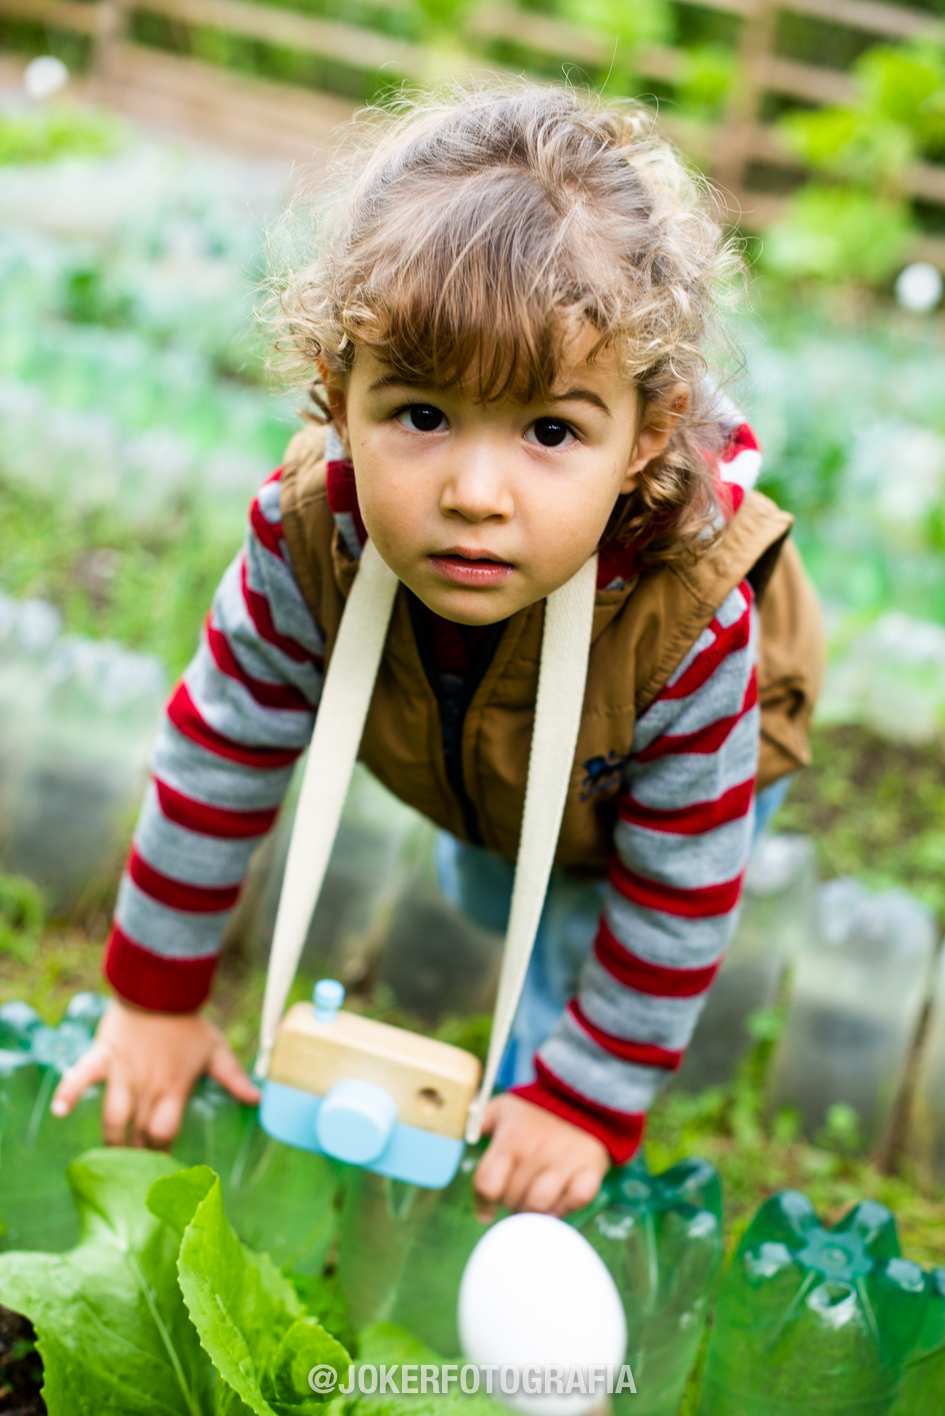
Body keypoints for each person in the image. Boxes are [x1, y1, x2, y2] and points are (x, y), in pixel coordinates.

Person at [52, 85, 823, 1216]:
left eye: (551, 432)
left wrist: (585, 1099)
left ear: (645, 436)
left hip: (673, 752)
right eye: (420, 415)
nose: (473, 494)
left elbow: (679, 892)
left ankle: (531, 1166)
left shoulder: (692, 624)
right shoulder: (307, 539)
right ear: (339, 393)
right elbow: (221, 758)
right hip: (493, 749)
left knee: (580, 921)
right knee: (493, 870)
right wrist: (156, 1000)